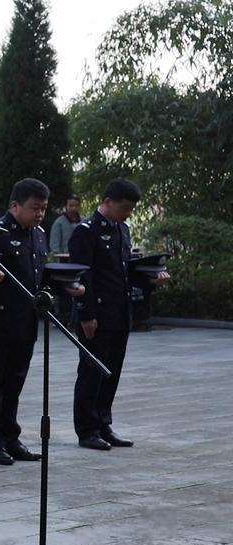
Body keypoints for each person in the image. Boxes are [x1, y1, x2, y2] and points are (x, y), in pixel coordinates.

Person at [71, 178, 162, 448]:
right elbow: (82, 276)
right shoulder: (86, 231)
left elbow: (124, 271)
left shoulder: (122, 229)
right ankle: (87, 429)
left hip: (119, 311)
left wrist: (149, 276)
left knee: (111, 370)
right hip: (96, 313)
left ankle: (103, 423)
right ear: (108, 202)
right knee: (92, 371)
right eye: (124, 208)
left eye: (131, 209)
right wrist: (86, 314)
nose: (128, 214)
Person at [0, 178, 49, 466]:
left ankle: (10, 438)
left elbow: (37, 275)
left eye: (43, 209)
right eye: (34, 208)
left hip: (25, 322)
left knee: (14, 384)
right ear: (15, 206)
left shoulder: (38, 235)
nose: (39, 214)